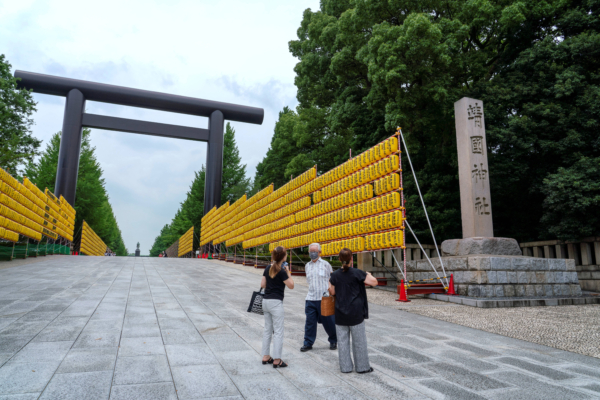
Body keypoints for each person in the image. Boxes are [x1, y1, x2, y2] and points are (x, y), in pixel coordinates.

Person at [329, 248, 378, 373]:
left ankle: (346, 367)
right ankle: (362, 367)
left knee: (343, 342)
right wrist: (370, 275)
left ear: (339, 259)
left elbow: (332, 291)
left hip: (340, 312)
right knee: (359, 341)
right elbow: (374, 282)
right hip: (356, 312)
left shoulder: (334, 275)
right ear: (351, 259)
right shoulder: (358, 273)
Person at [261, 246, 294, 368]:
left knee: (267, 330)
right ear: (284, 257)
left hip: (266, 301)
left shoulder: (268, 268)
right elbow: (291, 285)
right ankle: (277, 359)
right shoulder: (282, 271)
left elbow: (263, 284)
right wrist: (288, 273)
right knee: (278, 331)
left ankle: (265, 356)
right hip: (276, 303)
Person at [301, 243, 337, 352]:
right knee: (310, 322)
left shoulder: (326, 265)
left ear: (319, 252)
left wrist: (331, 291)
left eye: (315, 251)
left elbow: (332, 279)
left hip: (324, 299)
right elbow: (309, 281)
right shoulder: (307, 265)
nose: (312, 253)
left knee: (329, 322)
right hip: (311, 298)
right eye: (311, 251)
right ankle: (308, 343)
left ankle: (333, 340)